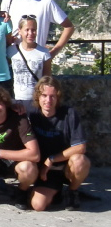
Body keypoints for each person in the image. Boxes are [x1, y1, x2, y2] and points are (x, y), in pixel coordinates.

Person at [23, 76, 90, 211]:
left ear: (58, 97)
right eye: (44, 95)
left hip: (64, 166)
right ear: (38, 96)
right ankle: (56, 192)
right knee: (38, 205)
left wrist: (52, 159)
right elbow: (4, 103)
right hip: (43, 170)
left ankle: (73, 191)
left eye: (52, 96)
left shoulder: (69, 113)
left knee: (80, 160)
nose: (48, 100)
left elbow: (80, 146)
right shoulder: (31, 111)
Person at [0, 0, 74, 57]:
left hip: (37, 58)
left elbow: (69, 27)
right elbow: (3, 29)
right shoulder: (8, 1)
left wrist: (54, 52)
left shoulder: (46, 2)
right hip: (13, 57)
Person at [9, 15, 51, 101]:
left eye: (33, 30)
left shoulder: (44, 53)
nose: (31, 33)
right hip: (16, 100)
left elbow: (47, 80)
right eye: (27, 30)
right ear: (20, 31)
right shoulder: (11, 51)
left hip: (36, 100)